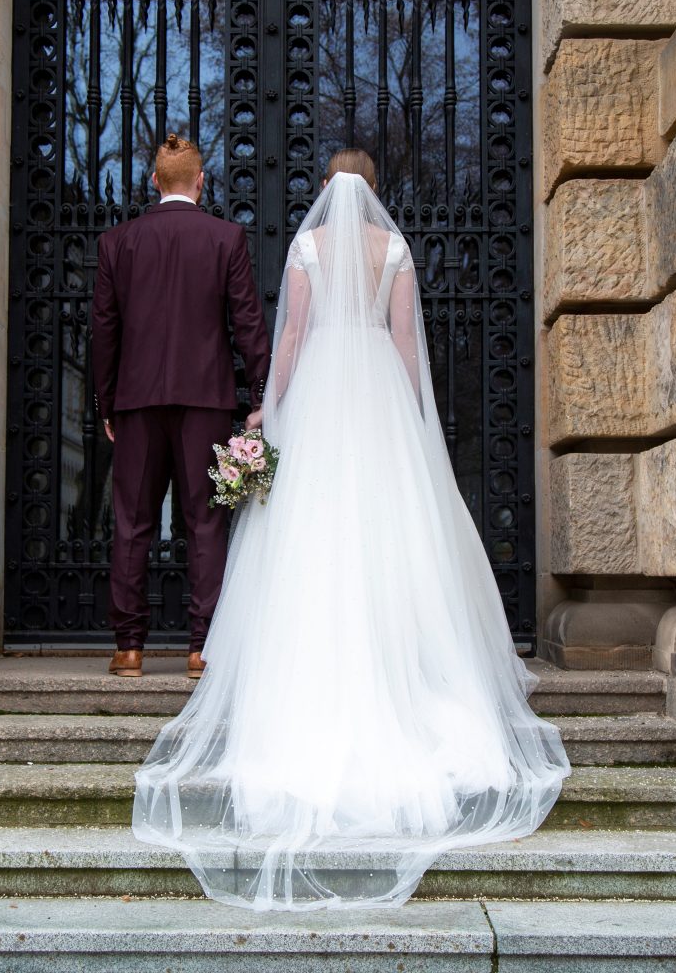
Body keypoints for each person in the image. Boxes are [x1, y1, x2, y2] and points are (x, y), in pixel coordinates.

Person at [132, 148, 571, 911]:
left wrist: (272, 407)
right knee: (391, 534)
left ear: (326, 189)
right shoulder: (391, 248)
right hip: (375, 393)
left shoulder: (307, 247)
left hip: (322, 396)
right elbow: (405, 341)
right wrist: (415, 414)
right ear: (372, 189)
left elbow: (292, 336)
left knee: (311, 538)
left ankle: (309, 673)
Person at [91, 134, 271, 680]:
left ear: (154, 181)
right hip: (205, 401)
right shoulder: (225, 238)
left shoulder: (117, 243)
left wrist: (107, 401)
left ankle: (129, 647)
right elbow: (247, 323)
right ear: (200, 182)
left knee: (132, 522)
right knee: (205, 522)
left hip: (137, 401)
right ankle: (202, 647)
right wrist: (261, 392)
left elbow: (104, 331)